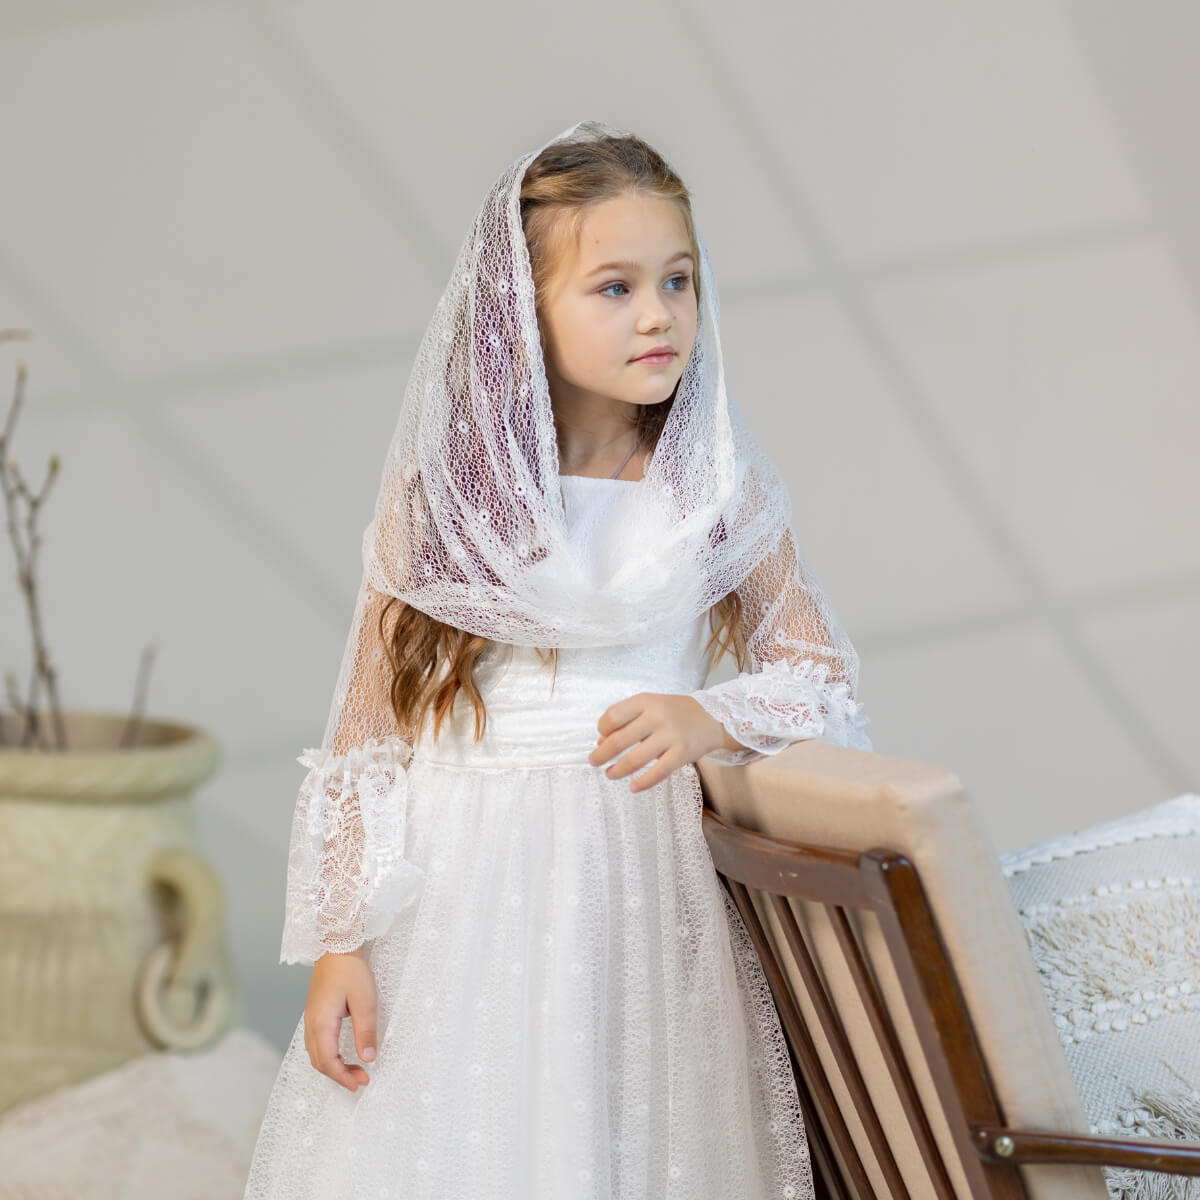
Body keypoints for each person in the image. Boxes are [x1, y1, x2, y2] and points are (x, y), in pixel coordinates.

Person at [243, 118, 872, 1200]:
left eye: (678, 280)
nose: (659, 313)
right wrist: (344, 941)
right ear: (519, 312)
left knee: (627, 1138)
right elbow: (364, 736)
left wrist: (707, 716)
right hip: (460, 886)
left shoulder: (711, 488)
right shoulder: (445, 503)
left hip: (642, 884)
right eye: (615, 288)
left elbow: (820, 674)